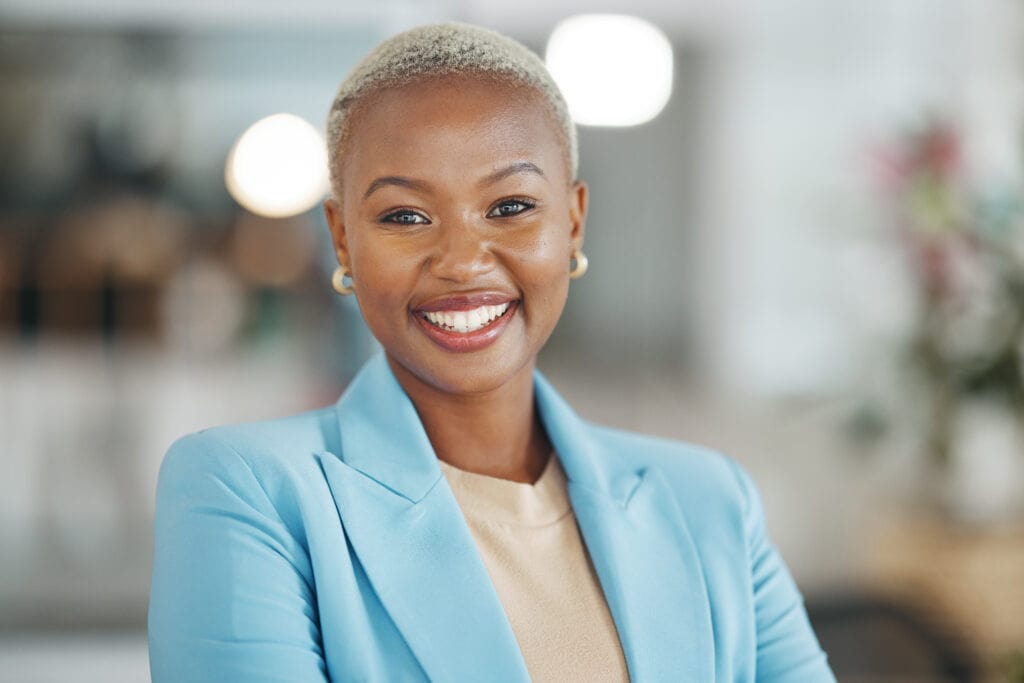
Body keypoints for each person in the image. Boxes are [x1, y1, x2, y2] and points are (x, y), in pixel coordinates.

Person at [148, 22, 836, 682]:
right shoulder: (250, 492)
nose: (461, 262)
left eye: (509, 206)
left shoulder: (709, 501)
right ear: (342, 238)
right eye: (405, 216)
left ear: (572, 222)